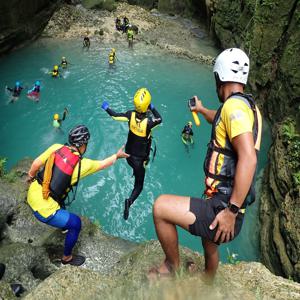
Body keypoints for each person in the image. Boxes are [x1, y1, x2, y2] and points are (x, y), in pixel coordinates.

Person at [151, 48, 262, 280]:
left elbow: (249, 158)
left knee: (161, 208)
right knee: (209, 244)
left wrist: (230, 211)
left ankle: (173, 269)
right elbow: (223, 119)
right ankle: (207, 281)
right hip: (230, 206)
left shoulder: (234, 108)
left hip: (224, 210)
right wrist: (201, 111)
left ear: (219, 78)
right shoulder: (247, 107)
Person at [26, 125, 129, 266]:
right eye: (86, 144)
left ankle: (63, 226)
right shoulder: (82, 165)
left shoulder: (56, 147)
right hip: (43, 210)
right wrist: (117, 156)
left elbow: (36, 163)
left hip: (32, 193)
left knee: (60, 201)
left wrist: (30, 177)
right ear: (82, 145)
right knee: (76, 223)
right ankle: (67, 258)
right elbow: (103, 164)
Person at [101, 88, 162, 220]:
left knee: (135, 167)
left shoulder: (130, 115)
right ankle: (129, 201)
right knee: (139, 185)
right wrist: (153, 107)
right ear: (147, 106)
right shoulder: (150, 123)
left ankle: (134, 171)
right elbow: (160, 119)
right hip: (139, 161)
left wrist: (106, 108)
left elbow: (115, 116)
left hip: (127, 156)